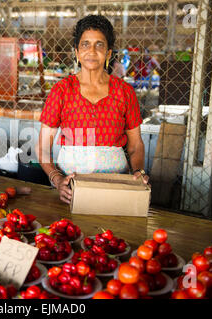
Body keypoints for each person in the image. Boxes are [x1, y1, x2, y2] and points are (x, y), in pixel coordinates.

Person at [36, 15, 149, 205]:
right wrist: (56, 179)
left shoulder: (124, 92)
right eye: (85, 44)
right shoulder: (62, 90)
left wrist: (139, 172)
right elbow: (42, 147)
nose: (92, 51)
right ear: (77, 52)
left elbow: (135, 145)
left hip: (115, 186)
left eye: (99, 45)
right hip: (72, 186)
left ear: (108, 52)